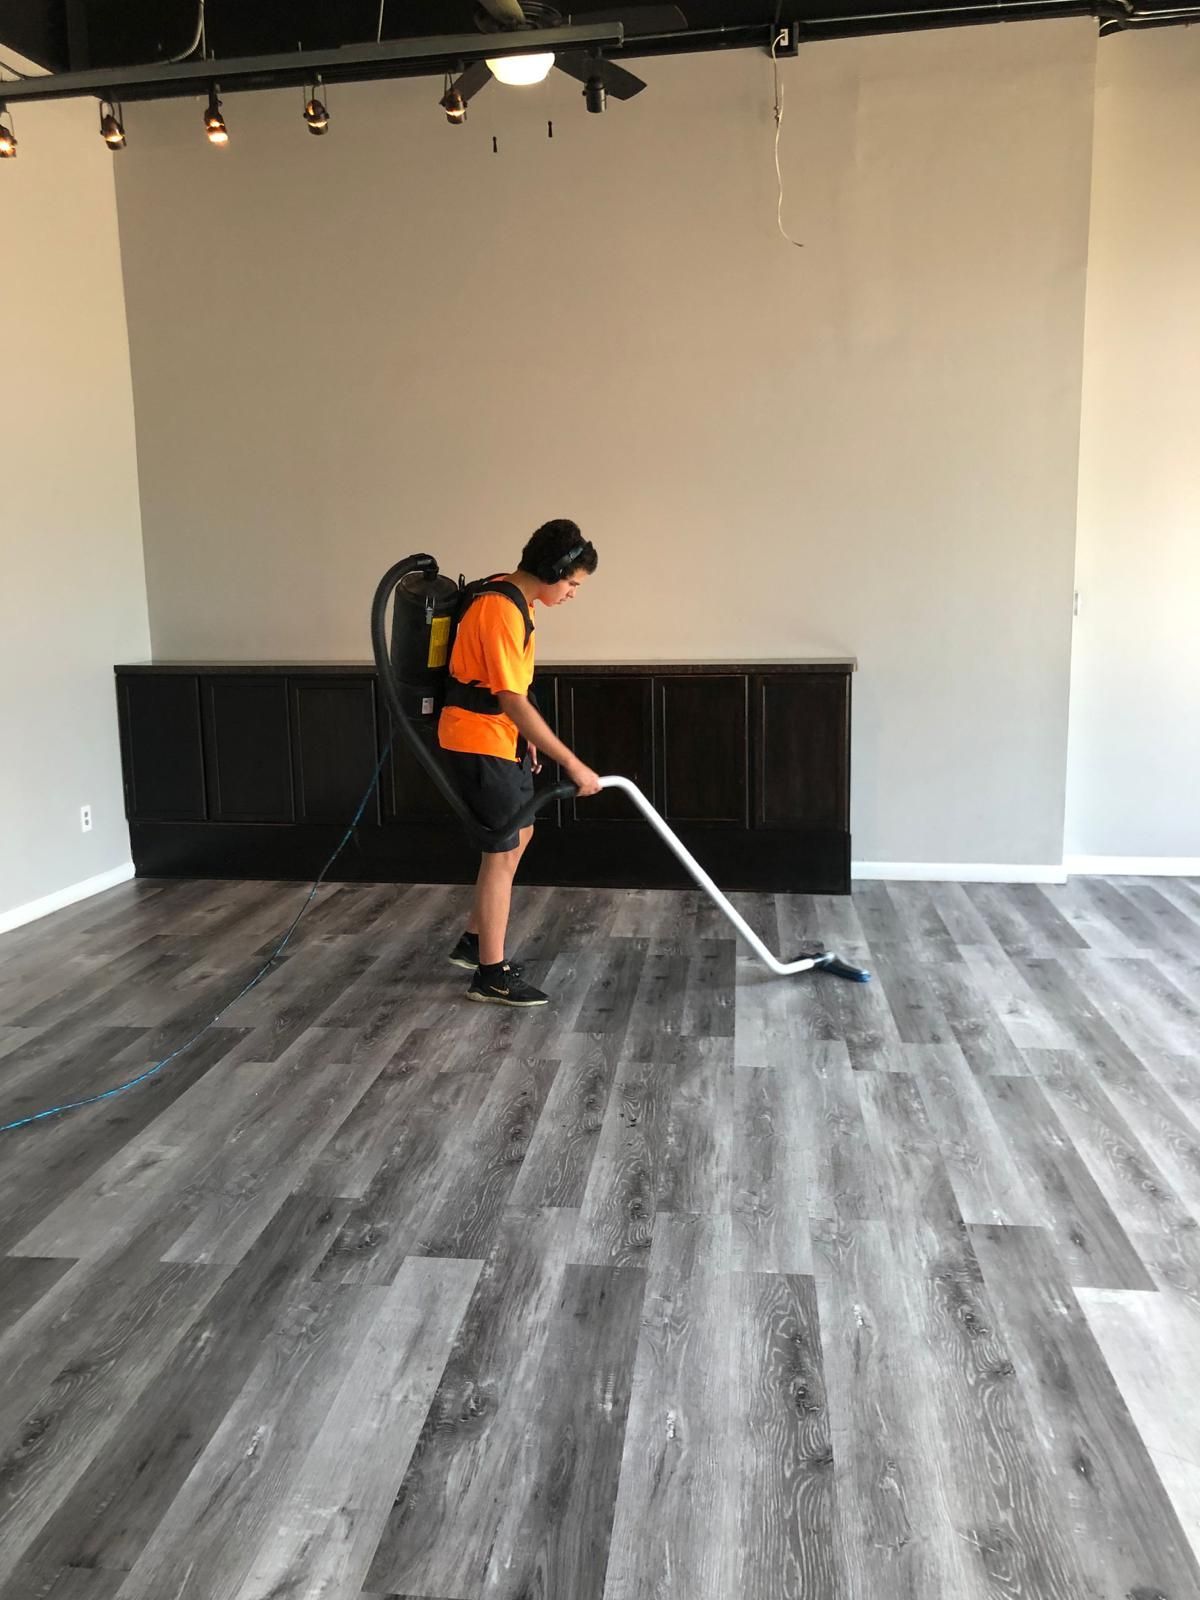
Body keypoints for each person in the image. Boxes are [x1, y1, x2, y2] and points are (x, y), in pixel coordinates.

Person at [438, 519, 602, 1007]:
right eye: (572, 583)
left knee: (520, 833)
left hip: (496, 736)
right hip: (476, 740)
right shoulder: (500, 608)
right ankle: (490, 973)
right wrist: (572, 763)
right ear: (553, 570)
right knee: (500, 851)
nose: (573, 593)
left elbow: (507, 687)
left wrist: (523, 738)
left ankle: (473, 941)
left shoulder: (511, 597)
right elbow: (509, 697)